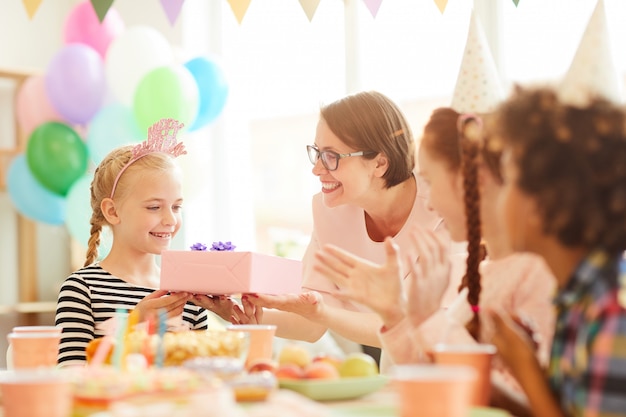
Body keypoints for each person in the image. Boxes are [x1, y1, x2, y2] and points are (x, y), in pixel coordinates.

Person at [314, 107, 556, 406]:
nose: (427, 204)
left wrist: (424, 319)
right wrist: (397, 315)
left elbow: (499, 398)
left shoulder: (535, 277)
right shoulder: (487, 273)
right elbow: (432, 376)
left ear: (476, 181)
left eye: (429, 179)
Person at [236, 91, 458, 359]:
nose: (317, 169)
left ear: (379, 163)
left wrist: (322, 312)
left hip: (449, 363)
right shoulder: (329, 212)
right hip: (390, 365)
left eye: (331, 156)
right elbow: (311, 323)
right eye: (316, 153)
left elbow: (437, 326)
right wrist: (239, 311)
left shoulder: (444, 204)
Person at [484, 86, 626, 417]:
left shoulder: (611, 311)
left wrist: (527, 371)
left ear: (544, 203)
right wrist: (500, 393)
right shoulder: (577, 297)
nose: (500, 198)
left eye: (508, 180)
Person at [55, 118, 234, 367]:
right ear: (113, 211)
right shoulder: (82, 289)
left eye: (176, 206)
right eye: (154, 207)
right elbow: (70, 376)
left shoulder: (187, 294)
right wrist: (132, 325)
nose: (170, 219)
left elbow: (203, 376)